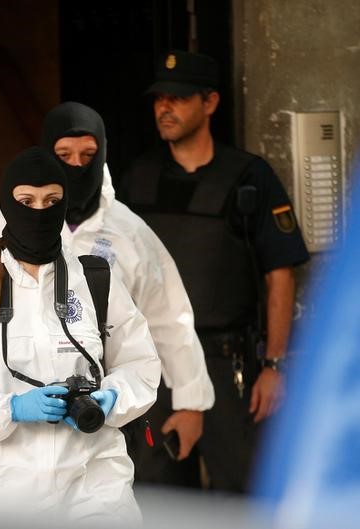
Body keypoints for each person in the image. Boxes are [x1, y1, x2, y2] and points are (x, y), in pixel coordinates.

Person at [0, 102, 215, 481]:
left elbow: (169, 317)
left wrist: (189, 401)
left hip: (95, 444)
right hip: (13, 452)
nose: (76, 165)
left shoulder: (129, 231)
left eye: (88, 155)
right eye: (64, 155)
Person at [0, 146, 160, 522]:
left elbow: (141, 363)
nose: (39, 210)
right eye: (26, 200)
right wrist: (10, 409)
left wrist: (114, 397)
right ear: (6, 205)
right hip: (13, 494)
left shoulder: (94, 280)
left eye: (52, 200)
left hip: (98, 487)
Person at [117, 49, 310, 492]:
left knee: (243, 493)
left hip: (227, 366)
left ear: (210, 103)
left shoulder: (249, 177)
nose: (164, 108)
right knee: (158, 495)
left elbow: (279, 272)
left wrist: (275, 365)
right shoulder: (137, 177)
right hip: (156, 367)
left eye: (179, 98)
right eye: (159, 98)